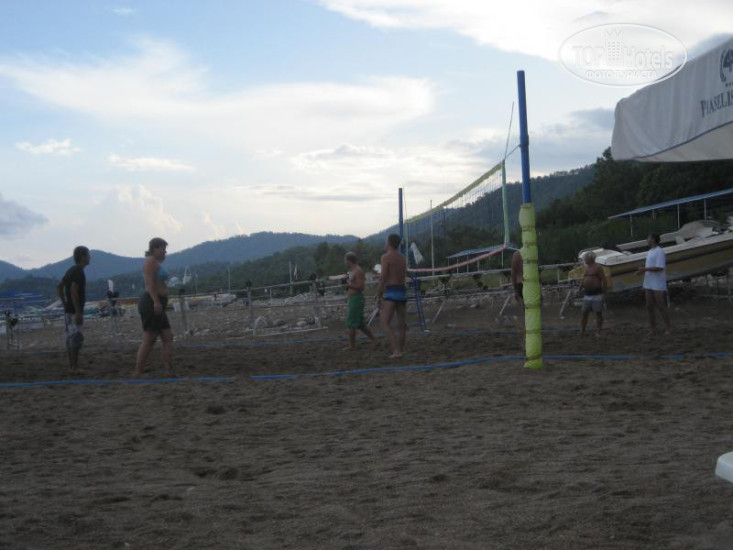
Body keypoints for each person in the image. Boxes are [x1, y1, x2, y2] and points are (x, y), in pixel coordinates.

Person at [135, 238, 173, 376]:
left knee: (167, 336)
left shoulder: (155, 262)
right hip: (151, 302)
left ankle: (168, 369)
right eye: (163, 249)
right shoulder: (150, 261)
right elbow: (149, 284)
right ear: (154, 249)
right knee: (150, 338)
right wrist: (156, 302)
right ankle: (138, 372)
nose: (165, 252)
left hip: (158, 302)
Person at [56, 246, 91, 372]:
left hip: (68, 310)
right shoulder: (78, 272)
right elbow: (73, 290)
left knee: (71, 338)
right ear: (82, 257)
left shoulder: (71, 270)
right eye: (88, 255)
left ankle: (73, 366)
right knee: (76, 338)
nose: (90, 257)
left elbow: (59, 286)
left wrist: (64, 303)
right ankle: (74, 367)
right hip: (74, 311)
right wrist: (78, 311)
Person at [376, 233, 407, 358]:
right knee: (401, 324)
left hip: (392, 291)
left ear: (388, 243)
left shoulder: (386, 257)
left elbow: (383, 277)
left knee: (384, 322)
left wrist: (379, 294)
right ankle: (400, 350)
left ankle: (396, 351)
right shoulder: (402, 258)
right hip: (402, 290)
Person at [635, 233, 671, 336]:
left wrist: (644, 269)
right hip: (649, 282)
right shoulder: (650, 252)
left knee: (661, 305)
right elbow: (650, 266)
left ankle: (667, 328)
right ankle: (652, 329)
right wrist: (642, 271)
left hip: (658, 283)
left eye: (648, 238)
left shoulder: (659, 251)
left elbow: (659, 267)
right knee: (649, 306)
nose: (647, 240)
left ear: (653, 240)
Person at [342, 252, 375, 350]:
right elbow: (356, 285)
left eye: (345, 260)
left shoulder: (358, 271)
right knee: (360, 324)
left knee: (351, 323)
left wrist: (348, 286)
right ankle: (374, 340)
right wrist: (348, 287)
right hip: (354, 298)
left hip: (356, 299)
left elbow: (361, 286)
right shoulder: (354, 271)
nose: (345, 263)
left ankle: (352, 346)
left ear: (349, 260)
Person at [578, 251, 608, 336]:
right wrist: (579, 288)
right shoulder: (586, 267)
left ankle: (598, 331)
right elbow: (583, 279)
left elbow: (604, 279)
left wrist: (604, 292)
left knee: (598, 312)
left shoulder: (598, 267)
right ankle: (582, 330)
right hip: (587, 293)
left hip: (597, 293)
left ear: (590, 258)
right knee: (584, 313)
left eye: (586, 258)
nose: (584, 259)